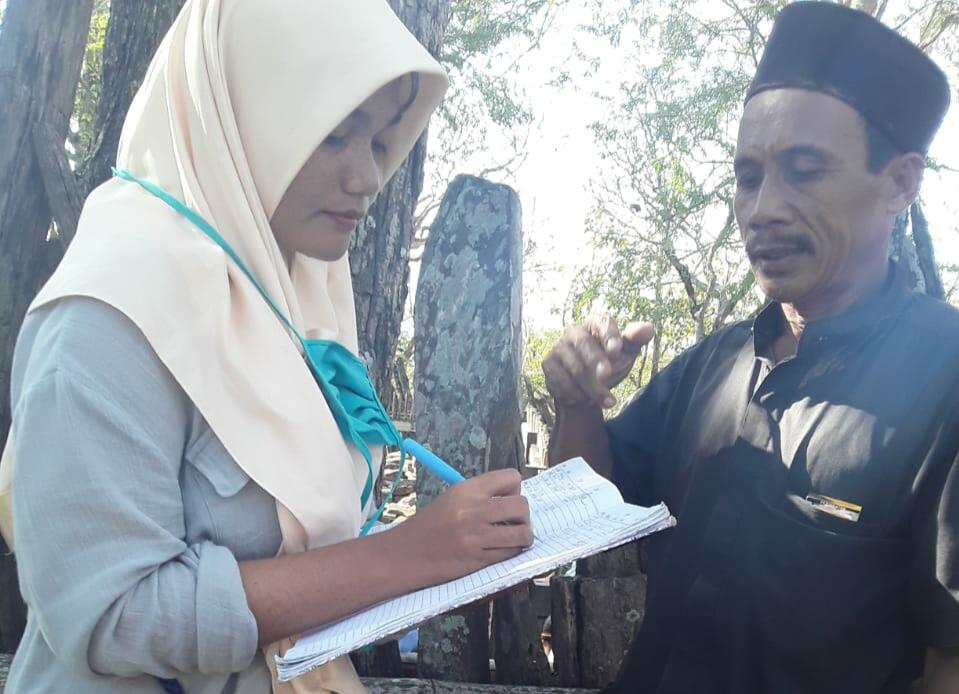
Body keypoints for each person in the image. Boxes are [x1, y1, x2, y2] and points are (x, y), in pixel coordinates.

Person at [0, 1, 533, 692]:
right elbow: (111, 615)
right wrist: (410, 555)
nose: (369, 177)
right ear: (238, 118)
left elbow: (304, 542)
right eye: (335, 134)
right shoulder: (111, 312)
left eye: (378, 141)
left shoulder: (291, 295)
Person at [543, 3, 958, 693]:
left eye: (804, 170)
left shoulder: (944, 380)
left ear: (899, 183)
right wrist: (578, 407)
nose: (762, 208)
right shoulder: (712, 367)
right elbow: (581, 521)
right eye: (746, 176)